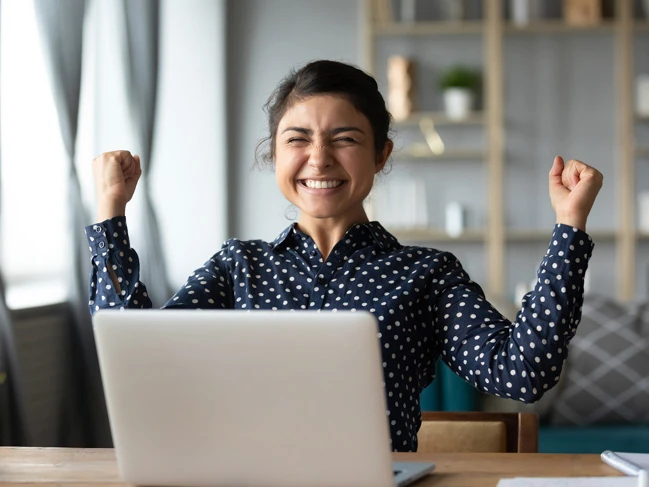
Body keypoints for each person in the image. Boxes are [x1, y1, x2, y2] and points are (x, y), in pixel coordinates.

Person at [86, 60, 603, 452]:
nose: (319, 158)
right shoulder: (236, 267)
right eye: (298, 139)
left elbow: (523, 373)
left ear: (381, 153)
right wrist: (111, 212)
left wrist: (569, 227)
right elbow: (141, 359)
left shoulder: (427, 273)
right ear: (275, 153)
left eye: (344, 138)